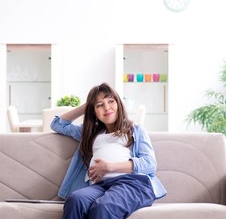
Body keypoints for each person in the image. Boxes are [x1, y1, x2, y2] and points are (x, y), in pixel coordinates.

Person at [50, 82, 166, 219]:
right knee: (75, 200)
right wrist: (87, 106)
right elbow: (57, 124)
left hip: (131, 183)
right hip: (99, 186)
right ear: (94, 111)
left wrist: (108, 167)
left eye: (111, 101)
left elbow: (149, 164)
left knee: (103, 208)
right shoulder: (90, 133)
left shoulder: (135, 130)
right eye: (99, 105)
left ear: (118, 103)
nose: (107, 108)